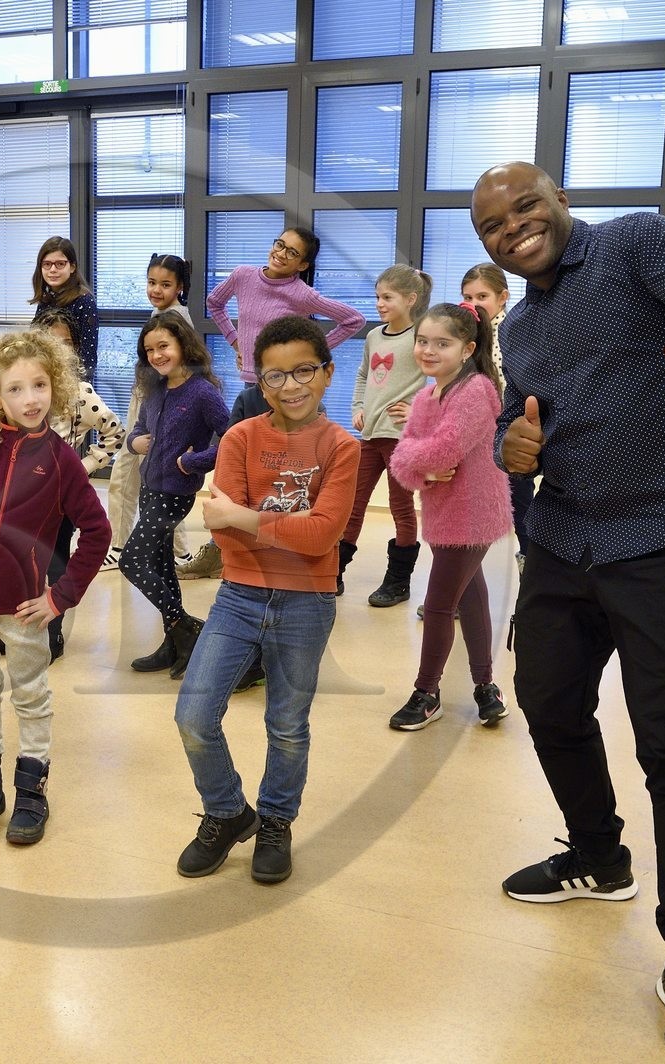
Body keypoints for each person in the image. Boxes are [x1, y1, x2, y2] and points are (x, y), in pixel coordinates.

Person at [475, 161, 665, 1064]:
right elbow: (520, 428)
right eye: (492, 225)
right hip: (566, 542)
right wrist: (510, 446)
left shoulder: (636, 244)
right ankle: (598, 858)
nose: (513, 228)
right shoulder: (516, 326)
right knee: (551, 707)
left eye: (525, 206)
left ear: (559, 196)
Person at [172, 315, 359, 885]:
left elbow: (323, 536)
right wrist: (275, 523)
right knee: (194, 715)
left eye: (304, 370)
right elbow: (220, 530)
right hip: (239, 594)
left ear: (327, 373)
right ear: (258, 381)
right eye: (274, 376)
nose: (290, 386)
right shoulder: (240, 437)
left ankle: (276, 821)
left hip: (307, 602)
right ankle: (229, 812)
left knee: (286, 724)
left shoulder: (342, 447)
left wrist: (249, 517)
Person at [0, 330, 111, 845]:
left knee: (29, 695)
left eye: (39, 385)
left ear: (56, 388)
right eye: (15, 389)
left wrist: (60, 596)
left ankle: (32, 791)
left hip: (23, 608)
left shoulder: (61, 460)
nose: (30, 399)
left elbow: (97, 531)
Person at [385, 302, 511, 731]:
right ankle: (486, 688)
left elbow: (442, 450)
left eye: (443, 343)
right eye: (422, 341)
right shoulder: (426, 395)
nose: (428, 350)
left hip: (472, 516)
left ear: (467, 348)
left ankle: (427, 693)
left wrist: (411, 457)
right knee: (471, 597)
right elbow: (407, 463)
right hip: (441, 513)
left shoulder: (476, 391)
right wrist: (415, 462)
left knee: (439, 606)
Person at [119, 313, 229, 681]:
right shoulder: (154, 388)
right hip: (150, 486)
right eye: (149, 349)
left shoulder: (202, 391)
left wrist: (193, 461)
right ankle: (175, 642)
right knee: (163, 567)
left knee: (132, 561)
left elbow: (230, 440)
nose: (156, 355)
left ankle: (187, 629)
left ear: (183, 344)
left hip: (175, 493)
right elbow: (137, 429)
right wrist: (136, 442)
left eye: (163, 346)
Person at [38, 309, 124, 660]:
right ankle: (20, 627)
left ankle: (53, 632)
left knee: (55, 561)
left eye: (65, 343)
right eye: (49, 343)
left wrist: (83, 465)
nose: (58, 350)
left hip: (61, 499)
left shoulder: (80, 393)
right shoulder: (20, 390)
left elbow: (115, 433)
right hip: (21, 497)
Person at [342, 265, 430, 603]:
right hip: (369, 437)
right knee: (353, 504)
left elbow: (442, 382)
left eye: (387, 297)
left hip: (400, 440)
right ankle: (333, 572)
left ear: (410, 299)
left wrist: (418, 414)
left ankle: (398, 583)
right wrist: (357, 409)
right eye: (378, 296)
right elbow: (364, 375)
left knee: (401, 507)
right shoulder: (374, 336)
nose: (379, 303)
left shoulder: (421, 338)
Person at [104, 253, 194, 574]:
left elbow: (176, 369)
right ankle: (127, 544)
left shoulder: (175, 320)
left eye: (165, 284)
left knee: (149, 475)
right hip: (146, 399)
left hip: (154, 405)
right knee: (140, 474)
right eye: (152, 282)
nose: (156, 289)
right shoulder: (162, 313)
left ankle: (173, 552)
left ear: (180, 286)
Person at [204, 225, 365, 395]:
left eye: (292, 253)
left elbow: (354, 320)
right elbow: (214, 303)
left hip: (283, 386)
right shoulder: (242, 275)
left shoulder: (301, 294)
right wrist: (237, 343)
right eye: (280, 245)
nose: (281, 254)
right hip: (251, 384)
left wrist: (307, 353)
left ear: (302, 265)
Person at [461, 262, 531, 570]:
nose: (474, 304)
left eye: (482, 296)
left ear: (502, 297)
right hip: (476, 442)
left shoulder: (512, 331)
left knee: (522, 515)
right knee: (470, 522)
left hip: (507, 441)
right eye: (468, 297)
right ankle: (461, 592)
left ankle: (531, 592)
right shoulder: (467, 336)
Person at [29, 237, 99, 381]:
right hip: (44, 377)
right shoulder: (46, 299)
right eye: (47, 264)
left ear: (72, 267)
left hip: (71, 381)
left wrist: (80, 387)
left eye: (60, 264)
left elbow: (88, 357)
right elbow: (34, 342)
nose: (53, 270)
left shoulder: (84, 301)